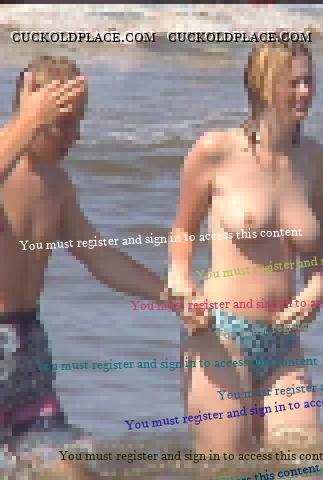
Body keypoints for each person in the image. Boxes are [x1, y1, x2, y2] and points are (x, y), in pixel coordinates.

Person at [0, 55, 198, 479]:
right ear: (31, 109)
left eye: (80, 121)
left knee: (71, 467)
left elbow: (98, 255)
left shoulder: (56, 185)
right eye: (63, 122)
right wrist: (27, 122)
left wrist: (167, 294)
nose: (76, 135)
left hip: (28, 350)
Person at [169, 41, 323, 453]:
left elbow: (316, 256)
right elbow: (183, 231)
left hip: (284, 344)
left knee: (306, 460)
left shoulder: (314, 159)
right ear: (263, 85)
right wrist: (181, 279)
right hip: (221, 333)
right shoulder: (216, 150)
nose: (305, 92)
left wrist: (316, 288)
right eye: (292, 82)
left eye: (308, 81)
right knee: (226, 467)